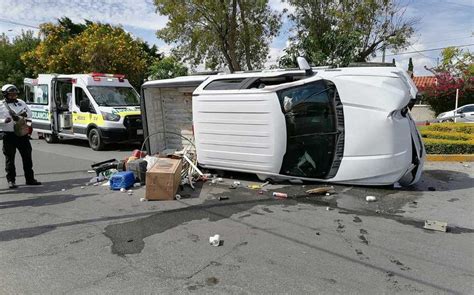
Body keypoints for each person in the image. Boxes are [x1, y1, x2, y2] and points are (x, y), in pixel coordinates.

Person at [0, 84, 41, 189]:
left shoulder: (21, 103)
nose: (14, 96)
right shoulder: (1, 105)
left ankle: (30, 179)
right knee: (10, 158)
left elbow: (30, 115)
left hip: (22, 134)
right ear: (5, 94)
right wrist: (4, 121)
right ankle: (11, 181)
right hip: (8, 134)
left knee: (27, 157)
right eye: (11, 94)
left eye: (15, 93)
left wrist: (26, 123)